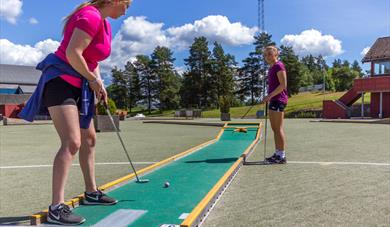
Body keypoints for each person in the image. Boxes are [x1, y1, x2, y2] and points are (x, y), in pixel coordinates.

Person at [19, 0, 132, 225]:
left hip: (80, 84)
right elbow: (73, 53)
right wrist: (91, 79)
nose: (127, 10)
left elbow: (93, 59)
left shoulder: (105, 23)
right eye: (126, 5)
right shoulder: (89, 16)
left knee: (89, 139)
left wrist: (98, 81)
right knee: (72, 142)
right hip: (60, 81)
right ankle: (56, 208)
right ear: (115, 1)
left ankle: (91, 193)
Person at [261, 46, 288, 164]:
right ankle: (277, 154)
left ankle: (282, 156)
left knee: (278, 128)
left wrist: (269, 96)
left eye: (270, 54)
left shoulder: (278, 66)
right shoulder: (271, 68)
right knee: (274, 128)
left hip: (279, 99)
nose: (267, 56)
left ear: (276, 54)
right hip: (273, 100)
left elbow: (283, 85)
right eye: (266, 55)